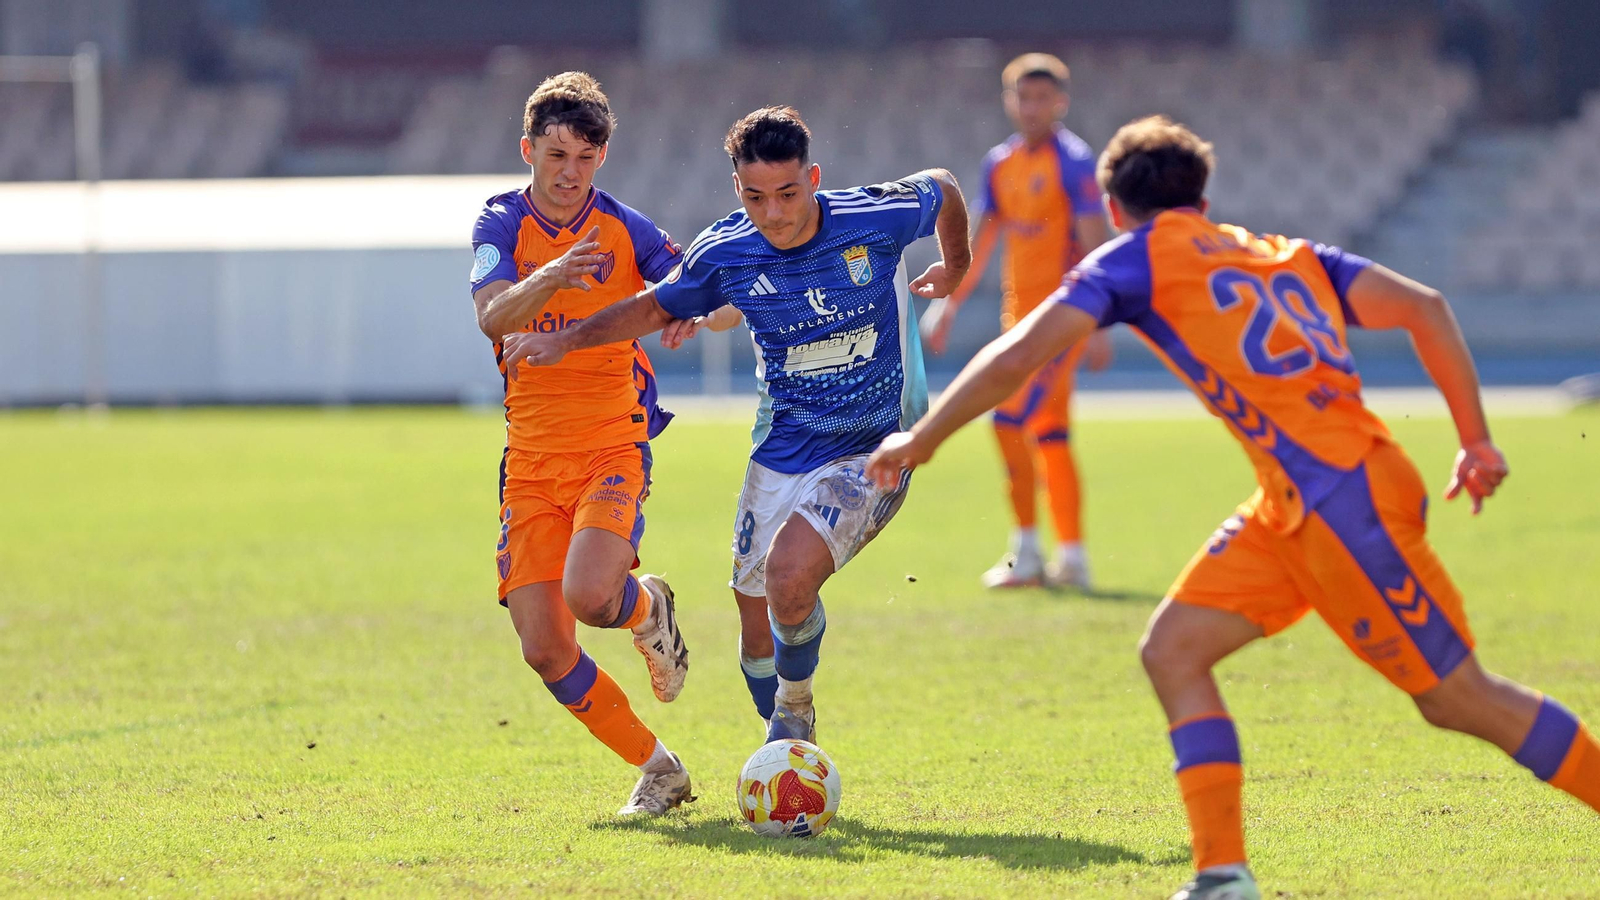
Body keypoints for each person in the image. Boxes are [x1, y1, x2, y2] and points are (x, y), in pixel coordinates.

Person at [867, 115, 1600, 900]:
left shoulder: (1135, 259)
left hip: (1342, 502)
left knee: (1459, 698)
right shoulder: (1286, 252)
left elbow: (1019, 354)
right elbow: (1424, 305)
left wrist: (924, 436)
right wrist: (1475, 441)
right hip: (1300, 502)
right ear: (1204, 197)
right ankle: (1223, 875)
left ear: (1114, 209)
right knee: (1174, 649)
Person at [502, 106, 972, 745]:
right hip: (780, 452)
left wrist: (957, 264)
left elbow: (943, 185)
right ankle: (781, 750)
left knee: (788, 575)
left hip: (873, 449)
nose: (774, 214)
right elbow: (650, 306)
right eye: (756, 198)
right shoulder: (726, 251)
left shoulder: (872, 216)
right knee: (755, 636)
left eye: (787, 194)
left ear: (814, 177)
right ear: (736, 191)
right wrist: (571, 340)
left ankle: (796, 714)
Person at [469, 71, 692, 816]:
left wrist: (694, 314)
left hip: (610, 445)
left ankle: (643, 607)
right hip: (529, 462)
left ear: (603, 157)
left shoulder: (626, 227)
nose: (569, 173)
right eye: (556, 155)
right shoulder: (500, 224)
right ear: (527, 148)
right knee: (544, 648)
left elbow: (692, 289)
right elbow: (493, 318)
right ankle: (660, 770)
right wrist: (556, 276)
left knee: (592, 597)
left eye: (586, 158)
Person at [920, 52, 1114, 589]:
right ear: (1009, 101)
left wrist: (1098, 323)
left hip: (1064, 319)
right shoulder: (1000, 164)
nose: (1031, 108)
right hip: (1018, 320)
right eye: (1022, 97)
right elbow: (982, 242)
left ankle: (1028, 553)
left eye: (1041, 98)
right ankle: (1069, 557)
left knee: (1009, 421)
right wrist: (950, 303)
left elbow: (1095, 242)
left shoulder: (1075, 162)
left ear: (1060, 103)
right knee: (1049, 431)